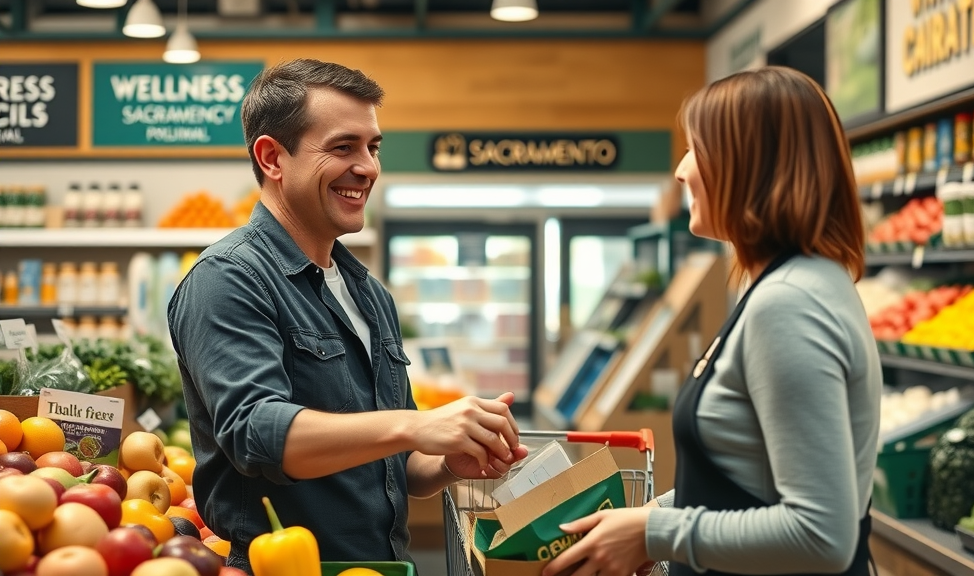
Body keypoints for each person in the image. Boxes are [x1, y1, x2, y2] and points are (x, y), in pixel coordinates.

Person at [167, 58, 528, 574]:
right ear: (272, 157)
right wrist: (415, 424)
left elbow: (399, 466)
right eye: (343, 147)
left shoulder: (368, 293)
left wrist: (449, 460)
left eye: (373, 147)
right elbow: (256, 433)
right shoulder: (228, 278)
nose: (368, 167)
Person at [542, 66, 882, 576]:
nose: (681, 171)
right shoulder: (790, 284)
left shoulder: (789, 304)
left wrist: (655, 533)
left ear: (751, 166)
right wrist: (648, 517)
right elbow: (745, 482)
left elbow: (821, 534)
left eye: (696, 150)